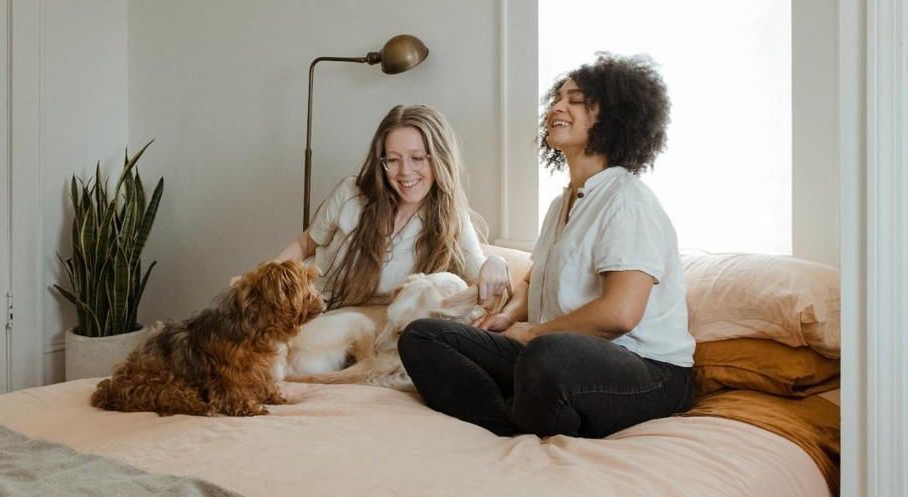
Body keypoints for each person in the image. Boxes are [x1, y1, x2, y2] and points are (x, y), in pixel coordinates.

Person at [398, 54, 695, 438]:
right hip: (553, 355)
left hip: (648, 371)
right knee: (423, 337)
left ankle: (527, 408)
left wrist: (533, 334)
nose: (557, 107)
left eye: (574, 100)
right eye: (558, 98)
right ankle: (511, 422)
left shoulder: (626, 200)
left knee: (547, 355)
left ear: (612, 116)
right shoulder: (563, 204)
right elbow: (533, 278)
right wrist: (505, 320)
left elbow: (620, 313)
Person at [276, 104, 510, 309]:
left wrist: (497, 263)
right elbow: (305, 244)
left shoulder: (450, 218)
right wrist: (258, 279)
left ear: (439, 158)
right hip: (307, 308)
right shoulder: (350, 194)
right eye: (393, 160)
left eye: (417, 158)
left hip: (365, 325)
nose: (405, 172)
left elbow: (480, 281)